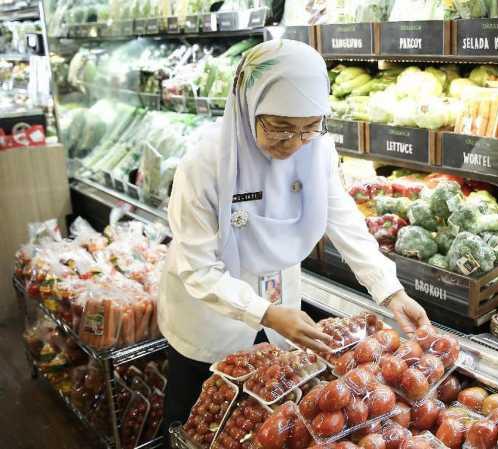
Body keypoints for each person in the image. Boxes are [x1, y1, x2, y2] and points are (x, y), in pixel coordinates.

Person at [158, 39, 430, 434]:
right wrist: (264, 312)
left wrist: (391, 292)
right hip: (209, 314)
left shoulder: (315, 150)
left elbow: (344, 219)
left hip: (279, 305)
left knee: (258, 425)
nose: (294, 143)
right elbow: (198, 269)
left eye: (307, 128)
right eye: (280, 128)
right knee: (195, 421)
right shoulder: (205, 164)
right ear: (248, 105)